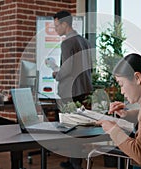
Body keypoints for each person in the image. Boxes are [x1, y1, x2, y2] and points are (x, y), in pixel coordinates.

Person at [52, 10, 93, 169]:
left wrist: (56, 73)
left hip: (70, 90)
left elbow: (67, 69)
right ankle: (73, 161)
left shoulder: (67, 42)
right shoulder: (84, 41)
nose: (55, 29)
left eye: (57, 26)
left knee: (70, 127)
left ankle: (75, 163)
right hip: (83, 88)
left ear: (64, 24)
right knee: (77, 125)